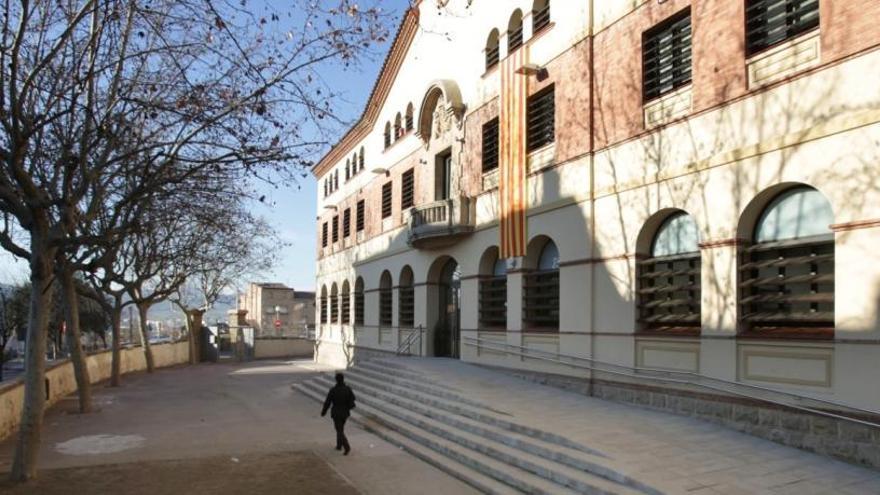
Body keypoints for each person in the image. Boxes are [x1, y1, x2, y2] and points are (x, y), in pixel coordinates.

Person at [321, 372, 356, 455]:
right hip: (345, 412)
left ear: (336, 380)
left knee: (339, 430)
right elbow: (353, 399)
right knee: (340, 428)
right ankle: (339, 445)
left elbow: (327, 402)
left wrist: (324, 411)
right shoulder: (348, 389)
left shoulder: (333, 390)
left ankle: (346, 446)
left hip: (336, 412)